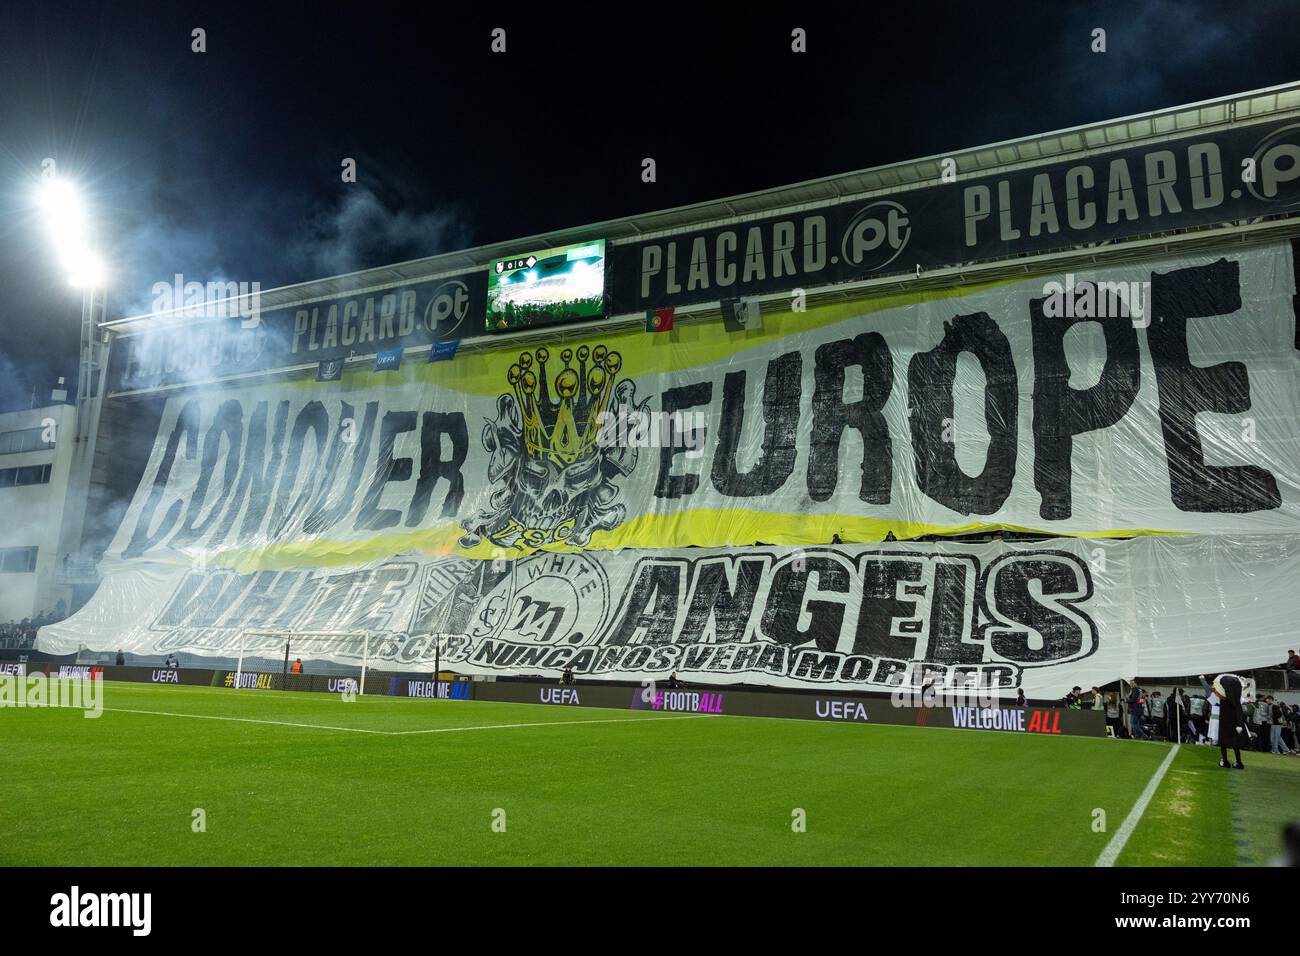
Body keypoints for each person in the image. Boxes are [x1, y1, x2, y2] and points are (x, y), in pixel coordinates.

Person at [1201, 674, 1250, 769]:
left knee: (1223, 743)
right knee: (1235, 744)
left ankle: (1225, 760)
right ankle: (1238, 762)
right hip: (1237, 722)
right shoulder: (1239, 698)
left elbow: (1208, 691)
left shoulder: (1220, 697)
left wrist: (1202, 680)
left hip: (1224, 722)